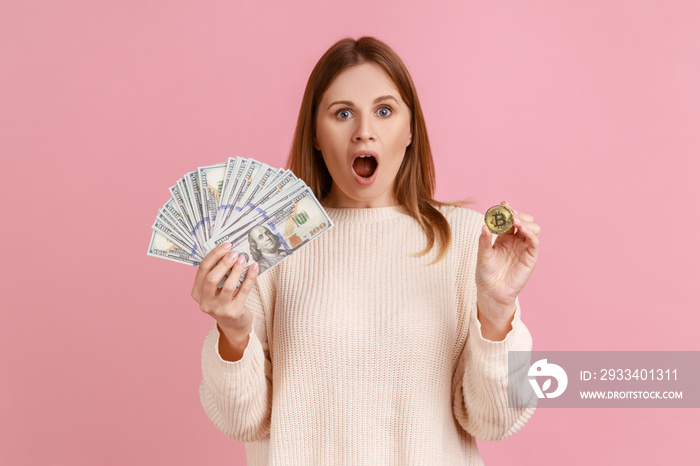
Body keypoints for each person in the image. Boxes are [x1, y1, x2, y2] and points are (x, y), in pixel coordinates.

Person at [191, 36, 541, 465]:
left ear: (410, 129)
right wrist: (232, 332)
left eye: (384, 110)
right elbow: (239, 421)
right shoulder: (271, 243)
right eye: (342, 114)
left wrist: (498, 311)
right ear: (316, 135)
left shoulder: (471, 242)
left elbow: (499, 422)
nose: (363, 131)